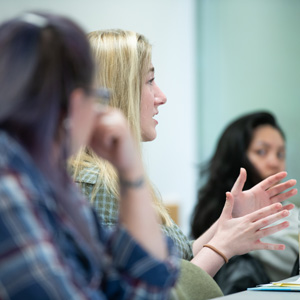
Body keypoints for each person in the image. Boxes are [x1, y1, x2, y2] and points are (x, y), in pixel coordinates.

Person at [71, 30, 298, 298]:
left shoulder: (112, 177)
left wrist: (229, 223)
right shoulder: (96, 183)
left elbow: (179, 262)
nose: (161, 96)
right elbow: (161, 291)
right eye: (150, 81)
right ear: (120, 90)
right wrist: (222, 248)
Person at [0, 13, 181, 299]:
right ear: (75, 103)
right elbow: (146, 289)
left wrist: (130, 169)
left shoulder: (53, 181)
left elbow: (136, 285)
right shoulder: (9, 186)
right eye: (97, 96)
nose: (100, 110)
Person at [191, 111, 299, 293]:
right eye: (261, 152)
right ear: (235, 158)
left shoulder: (290, 210)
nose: (274, 162)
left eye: (280, 154)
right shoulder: (226, 224)